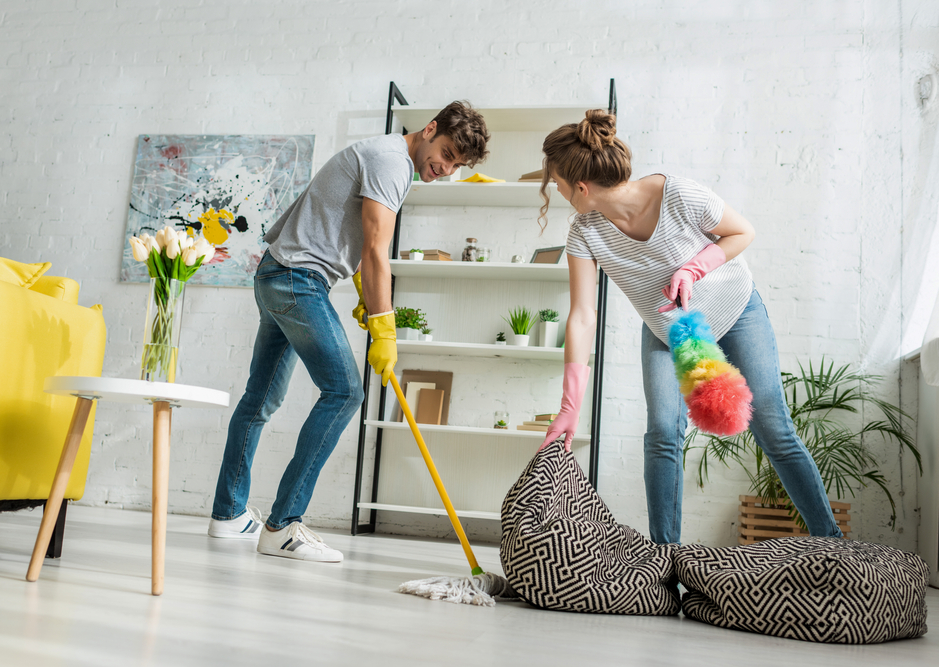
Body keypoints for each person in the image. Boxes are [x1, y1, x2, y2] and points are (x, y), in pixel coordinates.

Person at [537, 109, 843, 545]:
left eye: (559, 184)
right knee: (662, 432)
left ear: (581, 186)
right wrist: (570, 406)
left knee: (773, 426)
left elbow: (742, 232)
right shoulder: (584, 231)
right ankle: (668, 561)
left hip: (737, 311)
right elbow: (583, 314)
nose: (559, 192)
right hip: (667, 330)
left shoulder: (677, 194)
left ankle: (830, 542)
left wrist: (694, 268)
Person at [208, 102, 490, 561]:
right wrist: (385, 327)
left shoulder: (383, 157)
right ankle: (282, 526)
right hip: (300, 280)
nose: (446, 168)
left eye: (456, 165)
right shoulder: (393, 162)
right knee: (345, 393)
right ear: (430, 129)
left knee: (259, 400)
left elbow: (354, 239)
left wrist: (363, 291)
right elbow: (378, 248)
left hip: (277, 274)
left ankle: (228, 514)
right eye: (446, 154)